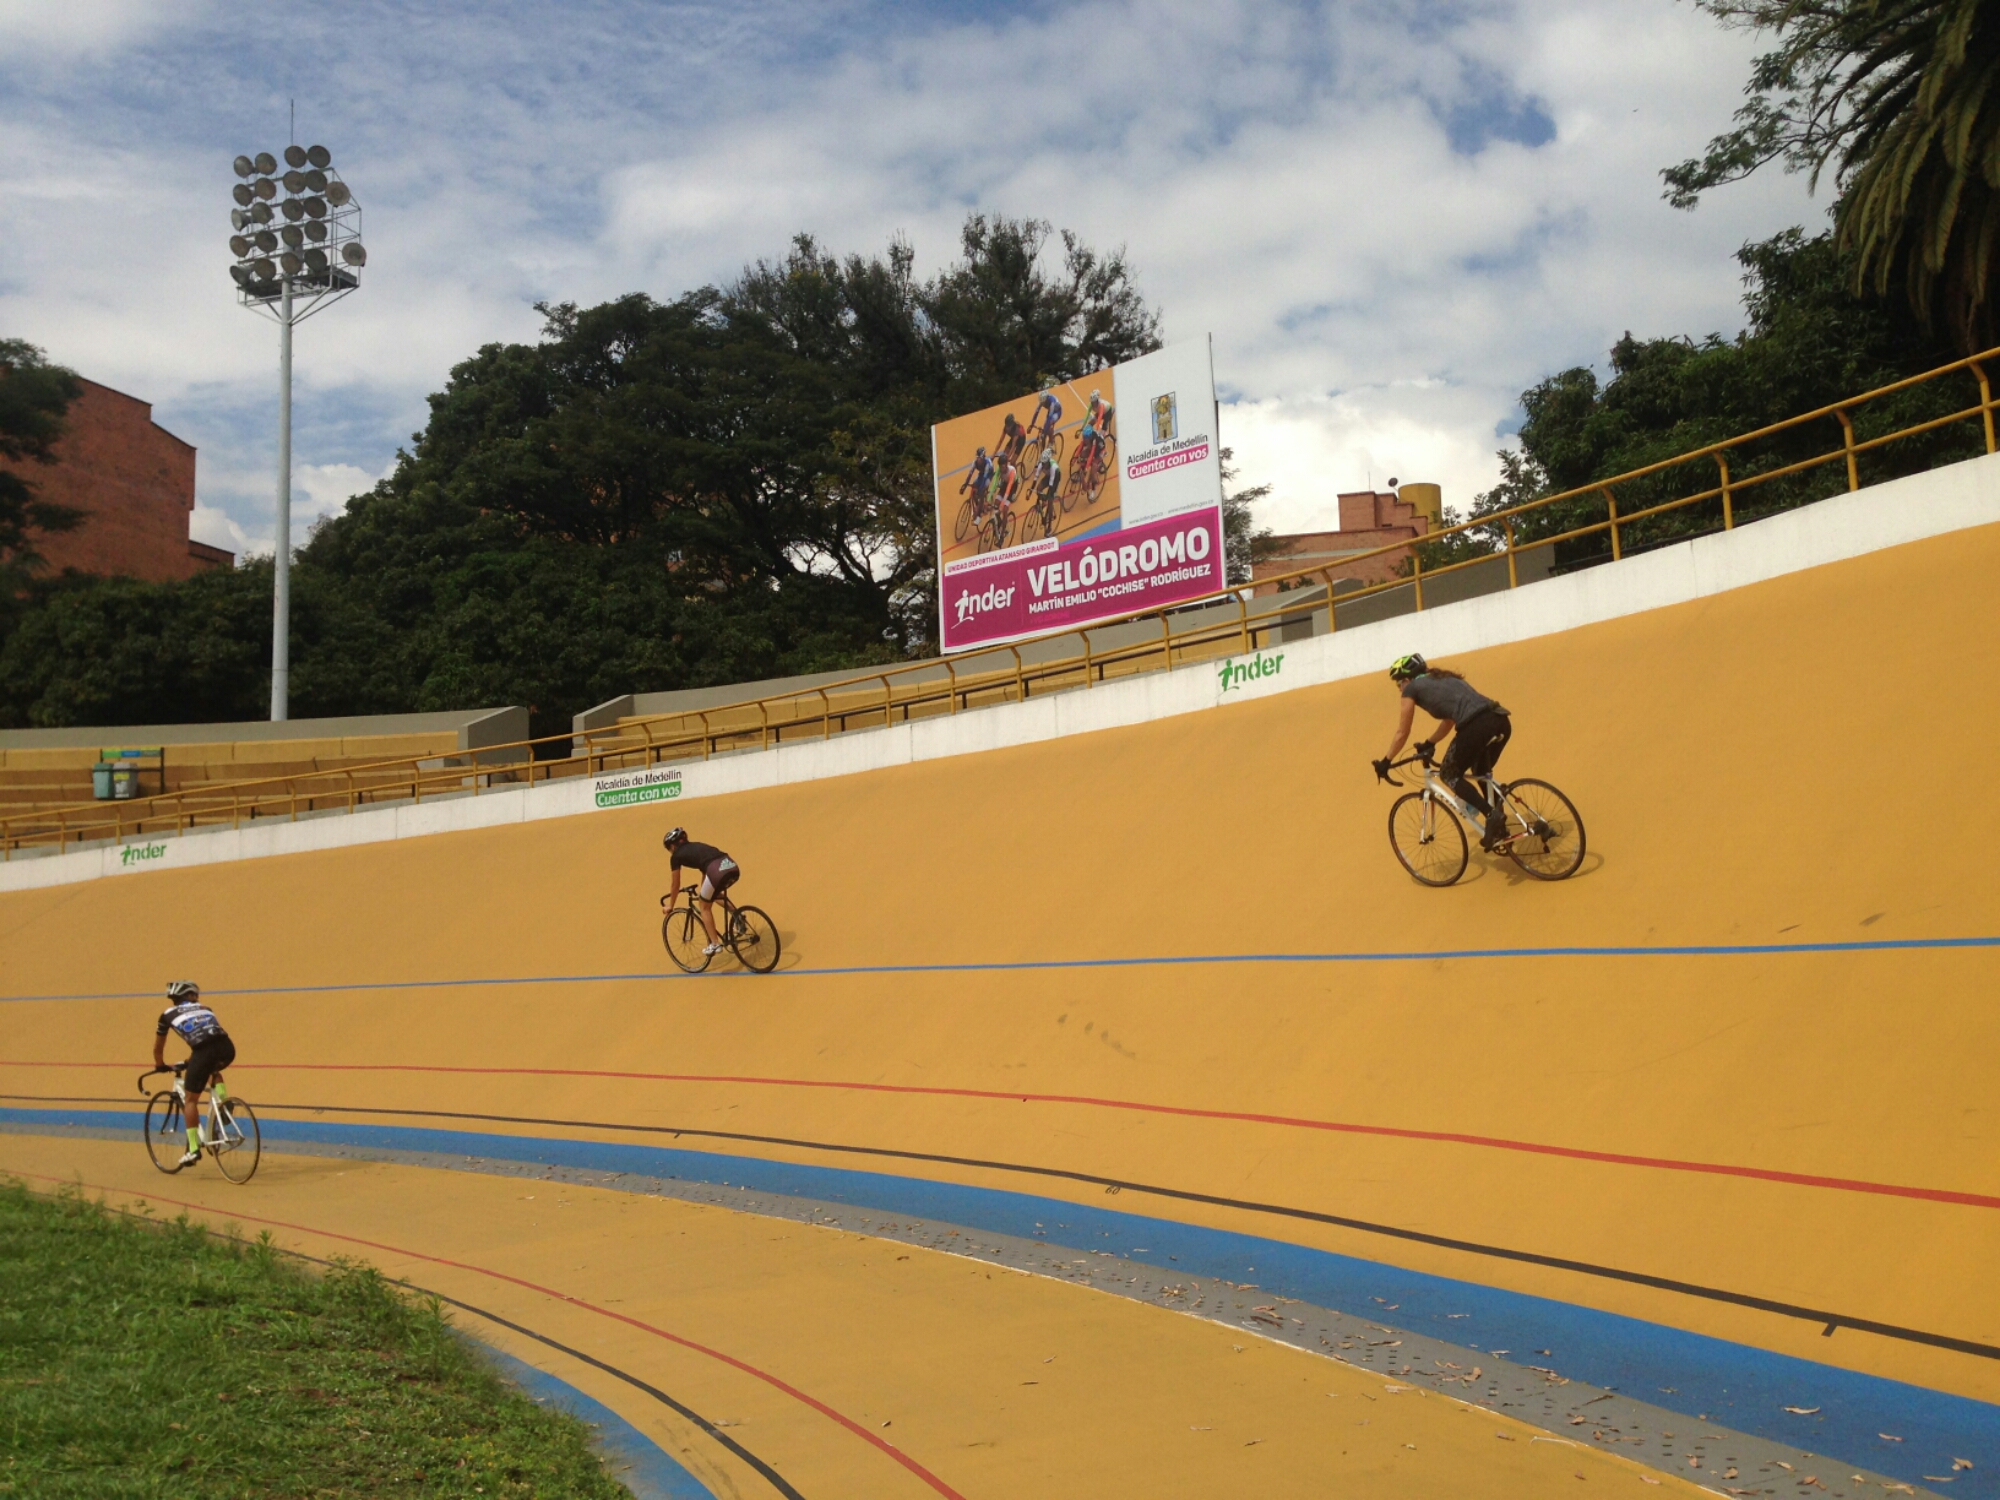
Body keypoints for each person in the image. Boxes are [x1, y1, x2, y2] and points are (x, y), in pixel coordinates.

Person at [1372, 653, 1514, 851]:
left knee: (1449, 774)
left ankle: (1492, 815)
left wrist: (1386, 761)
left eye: (1399, 684)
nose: (1400, 689)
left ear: (1406, 679)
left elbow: (1402, 732)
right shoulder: (1443, 678)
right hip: (1500, 720)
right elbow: (1449, 721)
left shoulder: (1412, 688)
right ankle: (1501, 830)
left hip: (1476, 726)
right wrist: (1429, 742)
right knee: (1480, 771)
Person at [152, 981, 235, 1167]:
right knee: (212, 1069)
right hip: (227, 1048)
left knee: (190, 1100)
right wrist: (191, 1061)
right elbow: (208, 1036)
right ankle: (223, 1102)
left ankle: (194, 1149)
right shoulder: (206, 1008)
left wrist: (159, 1064)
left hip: (202, 1052)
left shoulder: (167, 1015)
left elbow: (159, 1046)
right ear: (191, 996)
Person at [661, 827, 741, 956]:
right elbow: (706, 869)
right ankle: (738, 916)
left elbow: (675, 885)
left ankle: (715, 944)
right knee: (711, 895)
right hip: (731, 866)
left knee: (704, 906)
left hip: (716, 870)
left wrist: (671, 905)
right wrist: (703, 891)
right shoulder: (697, 847)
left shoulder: (676, 856)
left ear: (672, 846)